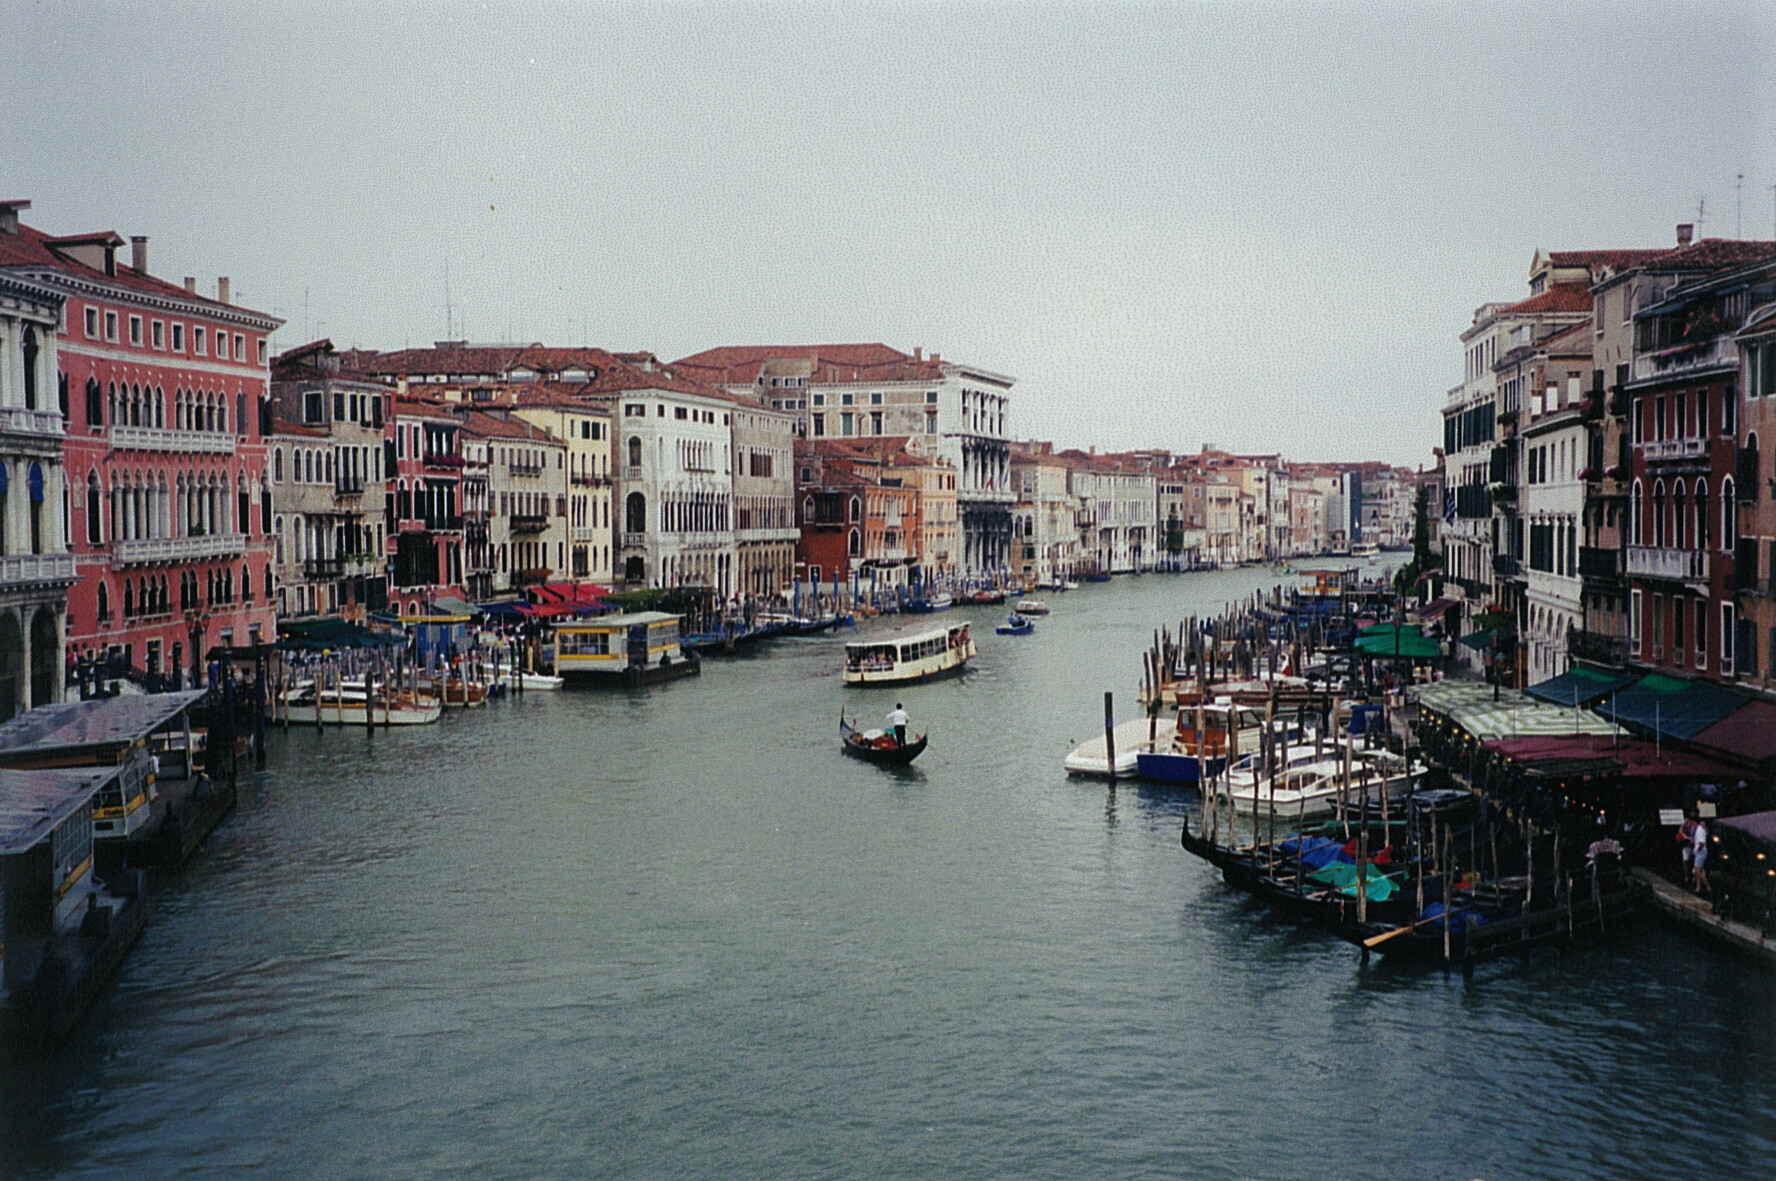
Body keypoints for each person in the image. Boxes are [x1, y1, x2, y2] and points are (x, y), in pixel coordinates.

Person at [1691, 818, 1711, 896]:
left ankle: (1708, 886)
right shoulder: (1698, 830)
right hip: (1699, 852)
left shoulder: (1700, 830)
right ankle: (1698, 887)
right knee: (1698, 870)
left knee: (1698, 871)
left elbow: (1702, 843)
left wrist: (1697, 850)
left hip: (1700, 852)